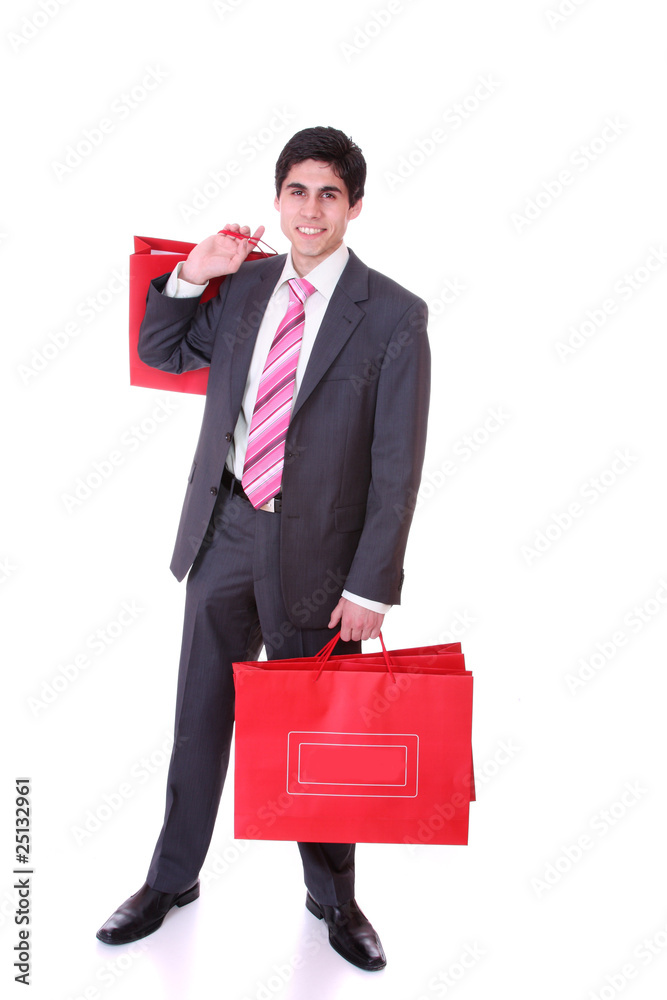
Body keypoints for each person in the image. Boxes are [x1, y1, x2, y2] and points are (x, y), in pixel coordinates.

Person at [96, 126, 430, 972]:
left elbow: (397, 466)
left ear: (354, 206)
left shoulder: (392, 314)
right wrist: (192, 273)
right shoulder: (243, 290)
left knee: (315, 736)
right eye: (295, 191)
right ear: (276, 199)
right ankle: (171, 880)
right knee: (197, 718)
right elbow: (160, 348)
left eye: (328, 194)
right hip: (225, 533)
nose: (309, 210)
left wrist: (371, 586)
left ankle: (332, 897)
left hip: (321, 559)